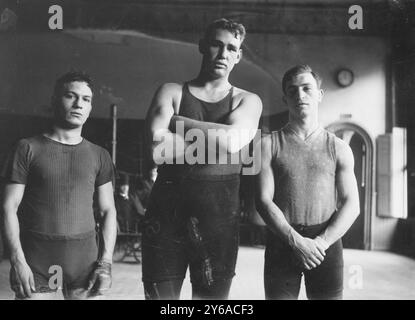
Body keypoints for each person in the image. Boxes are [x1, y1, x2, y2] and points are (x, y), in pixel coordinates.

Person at [143, 18, 262, 299]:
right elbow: (157, 150)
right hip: (167, 212)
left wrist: (178, 123)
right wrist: (219, 141)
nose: (223, 54)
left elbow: (233, 141)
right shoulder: (170, 90)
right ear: (201, 46)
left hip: (219, 216)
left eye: (232, 48)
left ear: (239, 56)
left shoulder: (248, 100)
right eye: (216, 44)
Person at [1, 71, 117, 300]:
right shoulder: (27, 148)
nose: (78, 104)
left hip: (85, 263)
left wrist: (106, 263)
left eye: (86, 99)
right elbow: (8, 208)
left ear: (91, 107)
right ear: (55, 100)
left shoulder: (99, 155)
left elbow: (108, 211)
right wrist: (17, 261)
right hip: (37, 262)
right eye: (70, 96)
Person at [256, 65, 360, 300]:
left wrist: (320, 243)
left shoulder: (339, 148)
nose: (300, 95)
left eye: (306, 88)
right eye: (292, 90)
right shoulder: (267, 145)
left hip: (326, 243)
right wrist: (296, 241)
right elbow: (263, 200)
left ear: (320, 95)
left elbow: (352, 204)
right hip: (282, 239)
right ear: (285, 98)